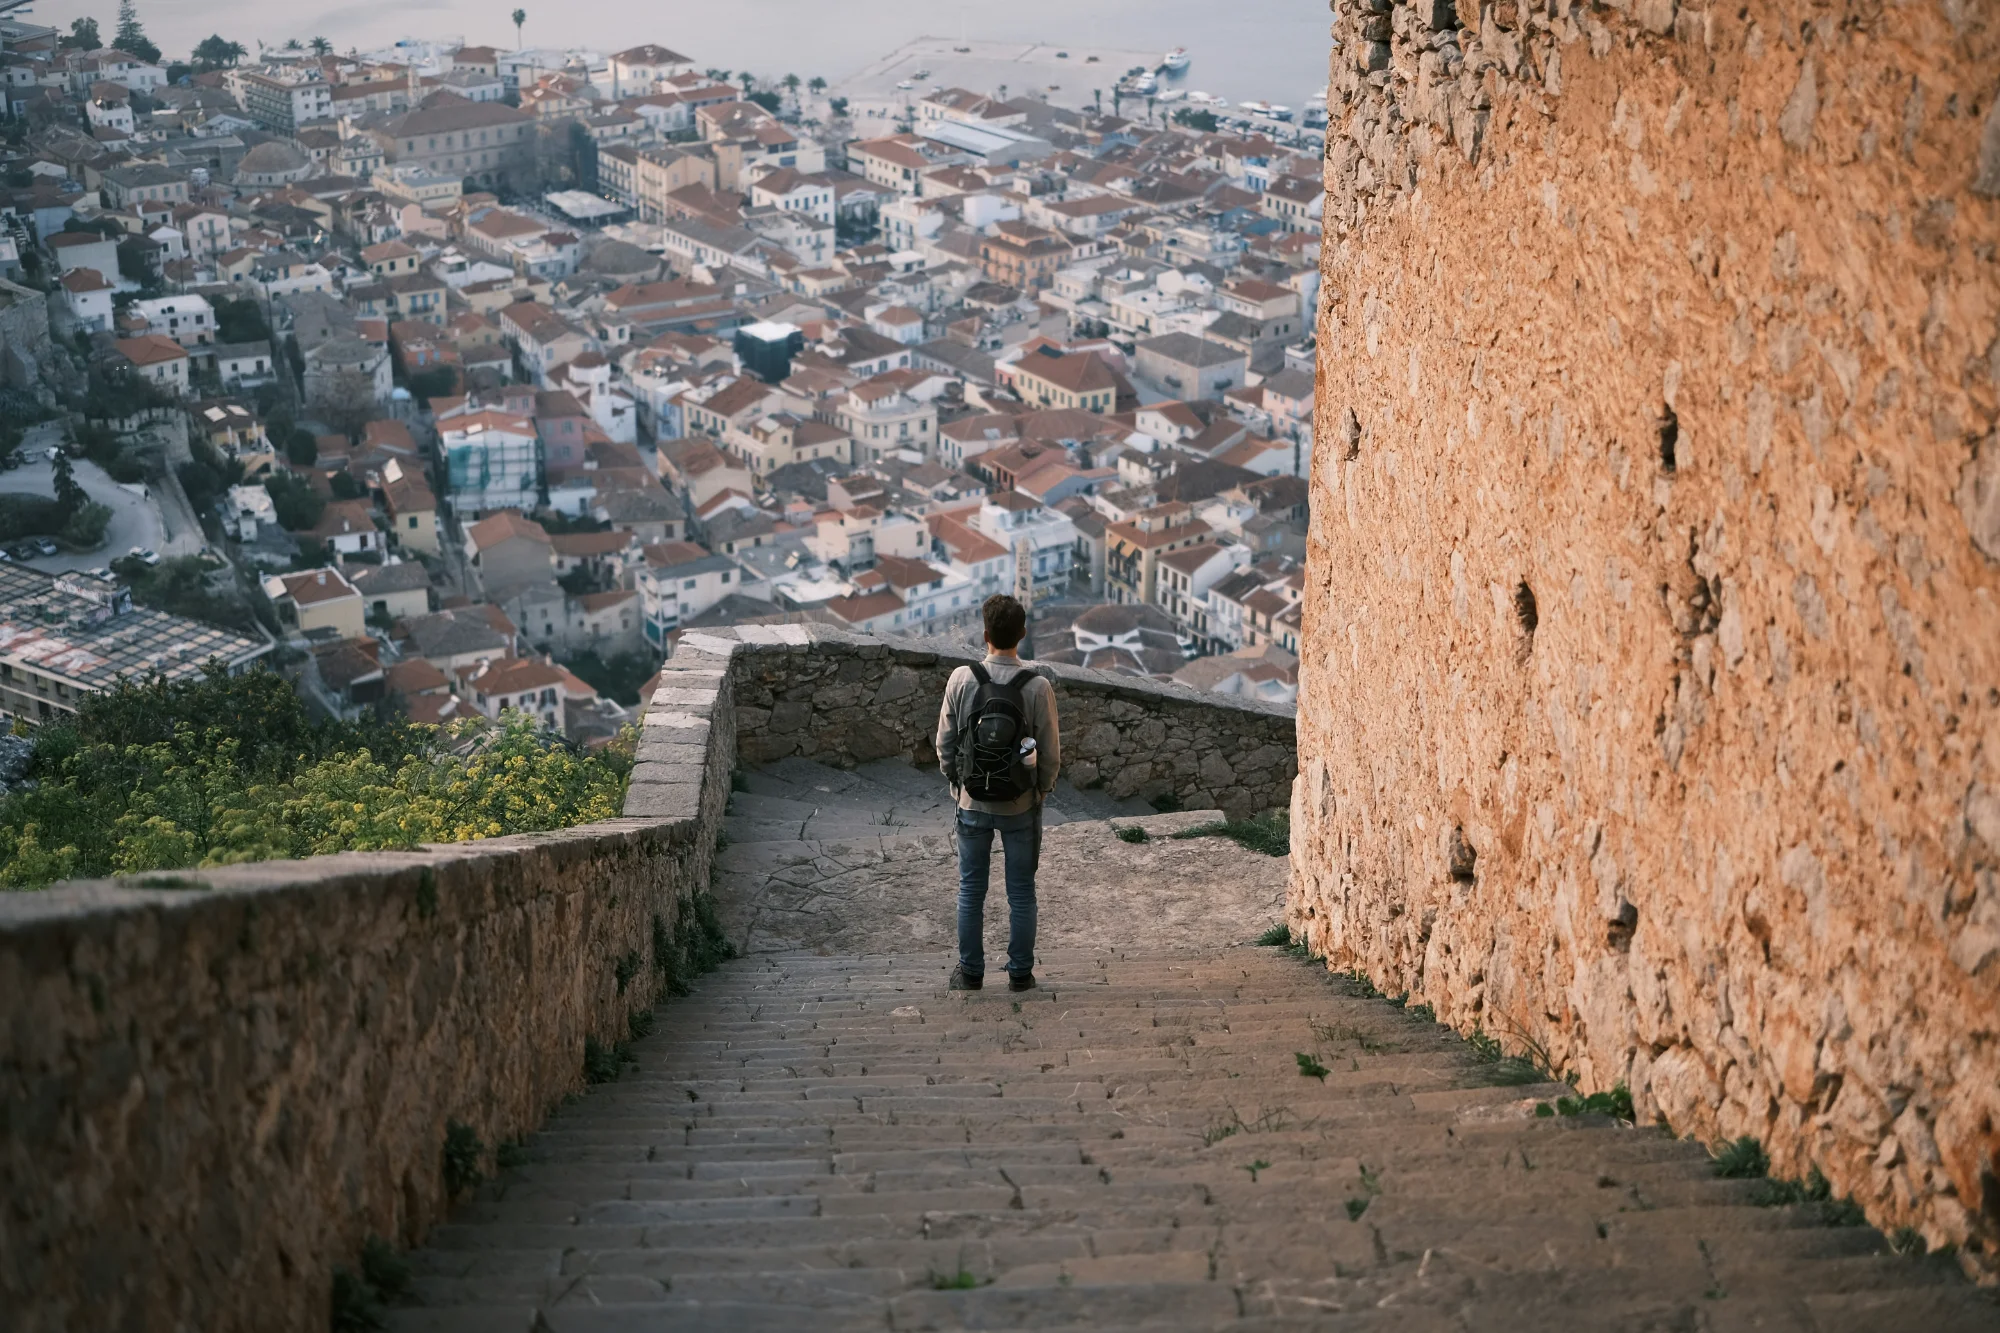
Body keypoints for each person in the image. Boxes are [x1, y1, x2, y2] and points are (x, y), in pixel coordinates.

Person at [936, 594, 1060, 992]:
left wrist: (957, 783)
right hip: (1020, 804)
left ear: (985, 633)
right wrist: (1040, 790)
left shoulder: (961, 678)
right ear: (1022, 634)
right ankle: (1020, 975)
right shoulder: (1038, 687)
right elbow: (1050, 754)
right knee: (1021, 891)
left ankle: (970, 973)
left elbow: (945, 744)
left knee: (971, 889)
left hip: (971, 801)